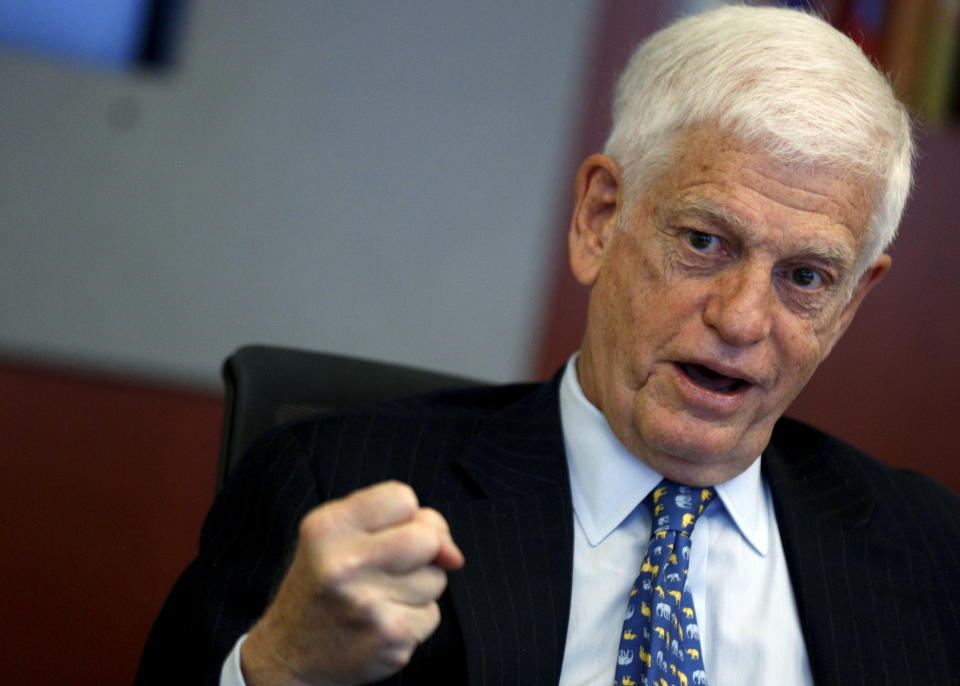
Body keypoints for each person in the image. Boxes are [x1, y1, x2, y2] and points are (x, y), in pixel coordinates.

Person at [137, 6, 960, 686]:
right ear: (600, 218)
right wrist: (281, 668)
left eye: (806, 277)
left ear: (851, 302)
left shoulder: (928, 549)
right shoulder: (331, 481)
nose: (743, 320)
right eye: (705, 242)